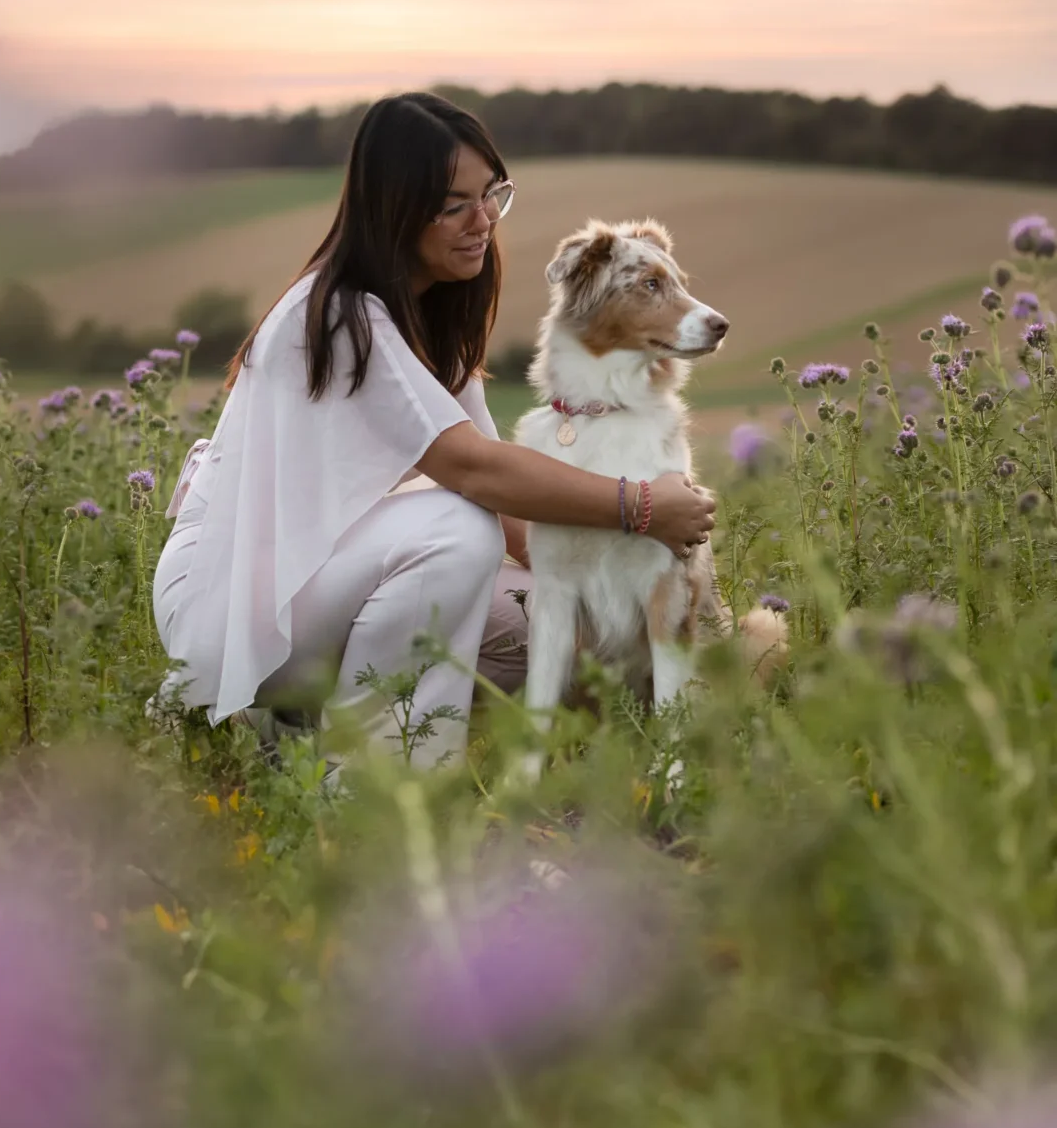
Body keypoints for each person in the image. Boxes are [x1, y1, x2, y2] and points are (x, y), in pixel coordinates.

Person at [152, 93, 716, 765]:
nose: (483, 222)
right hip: (232, 594)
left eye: (491, 195)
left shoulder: (425, 320)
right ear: (396, 210)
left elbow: (502, 495)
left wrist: (626, 582)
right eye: (455, 206)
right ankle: (351, 764)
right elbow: (474, 472)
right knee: (457, 531)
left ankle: (360, 744)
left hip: (308, 581)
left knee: (542, 624)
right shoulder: (343, 317)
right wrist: (642, 509)